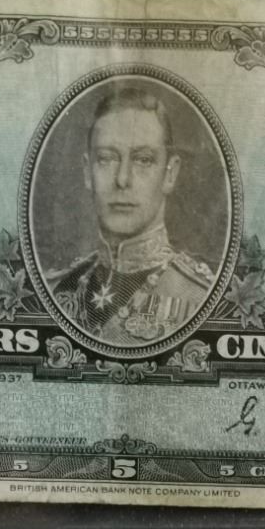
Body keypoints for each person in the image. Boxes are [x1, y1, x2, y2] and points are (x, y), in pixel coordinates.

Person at [47, 82, 216, 346]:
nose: (122, 179)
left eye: (143, 160)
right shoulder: (55, 289)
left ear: (170, 174)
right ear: (87, 172)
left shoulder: (203, 297)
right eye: (106, 158)